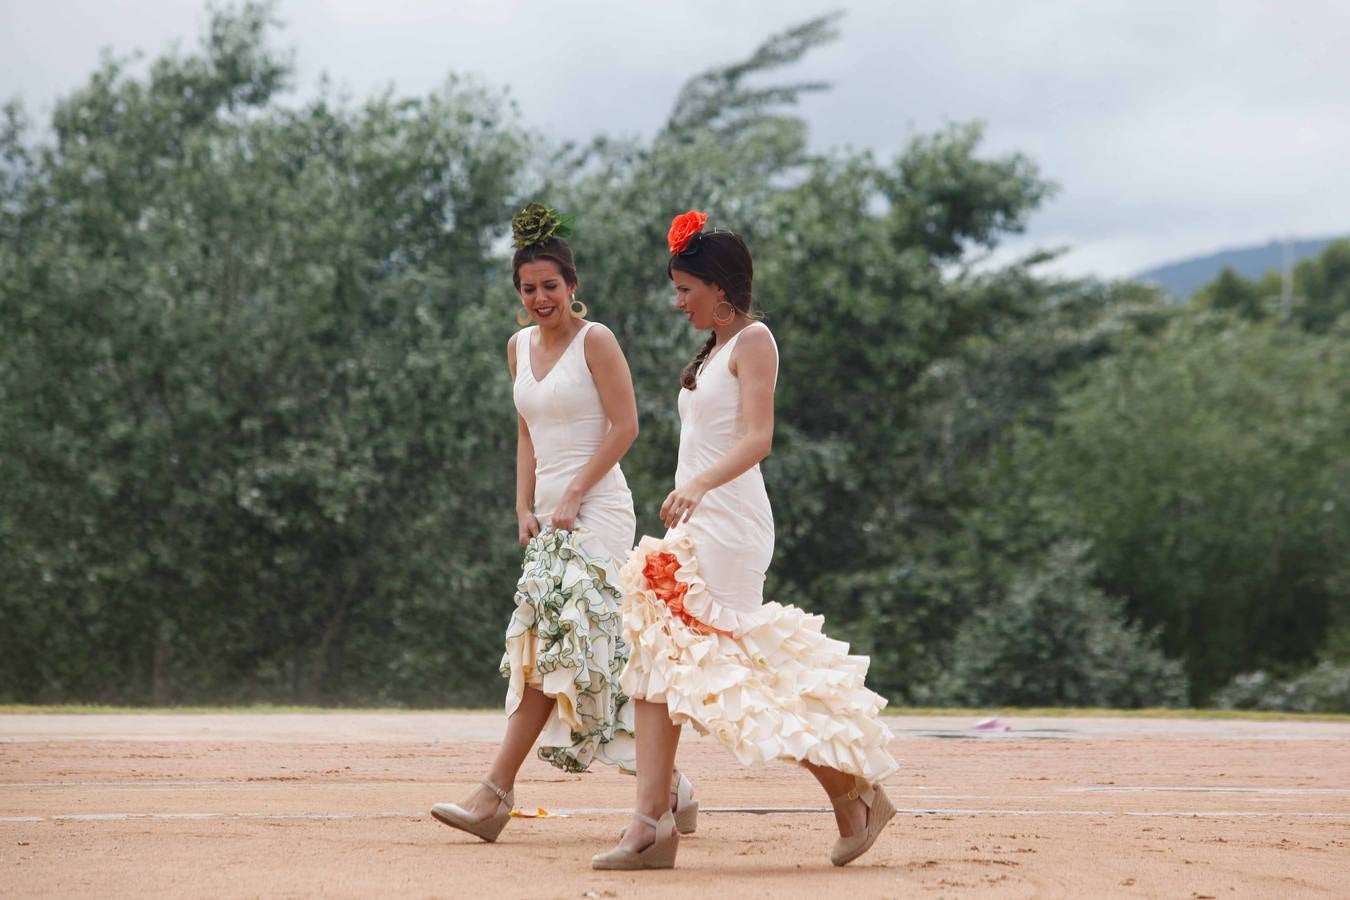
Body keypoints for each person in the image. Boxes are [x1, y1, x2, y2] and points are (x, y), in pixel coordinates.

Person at [592, 211, 899, 871]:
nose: (678, 302)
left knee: (737, 675)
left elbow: (758, 438)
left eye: (686, 290)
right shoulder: (715, 348)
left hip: (730, 526)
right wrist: (691, 496)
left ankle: (853, 795)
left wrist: (699, 485)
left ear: (721, 285)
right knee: (655, 657)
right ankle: (650, 825)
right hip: (698, 522)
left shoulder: (755, 341)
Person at [431, 203, 695, 842]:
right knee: (578, 654)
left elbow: (626, 426)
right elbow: (526, 431)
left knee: (560, 648)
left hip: (598, 510)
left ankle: (494, 793)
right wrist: (523, 506)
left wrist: (576, 491)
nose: (541, 298)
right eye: (529, 289)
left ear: (572, 286)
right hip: (549, 517)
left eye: (551, 286)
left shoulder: (595, 340)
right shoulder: (517, 346)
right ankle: (674, 789)